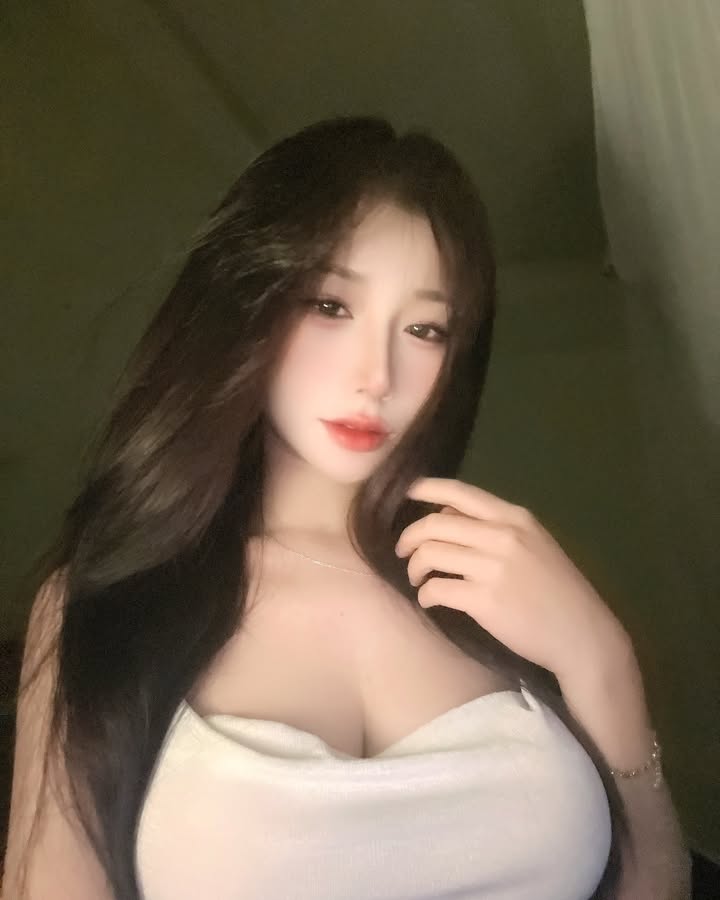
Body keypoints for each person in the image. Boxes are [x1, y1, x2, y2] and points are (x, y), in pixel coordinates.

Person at [2, 115, 686, 899]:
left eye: (424, 328)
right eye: (331, 305)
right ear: (245, 303)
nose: (377, 375)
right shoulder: (112, 602)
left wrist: (603, 663)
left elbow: (653, 884)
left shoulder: (492, 586)